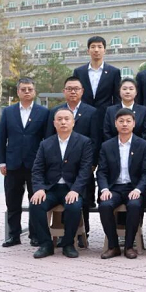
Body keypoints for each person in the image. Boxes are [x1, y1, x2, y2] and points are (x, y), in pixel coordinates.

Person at [29, 109, 94, 259]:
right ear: (54, 123)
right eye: (59, 119)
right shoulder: (45, 144)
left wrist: (76, 190)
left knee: (73, 206)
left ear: (73, 122)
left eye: (66, 119)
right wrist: (39, 189)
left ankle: (68, 244)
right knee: (35, 204)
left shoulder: (84, 142)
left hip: (72, 189)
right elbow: (37, 170)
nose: (63, 122)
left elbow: (85, 170)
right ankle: (46, 244)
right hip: (51, 189)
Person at [45, 76, 100, 246]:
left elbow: (95, 139)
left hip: (83, 165)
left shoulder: (92, 112)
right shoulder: (56, 111)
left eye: (76, 89)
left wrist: (92, 163)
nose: (73, 92)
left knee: (83, 200)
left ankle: (83, 234)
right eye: (69, 89)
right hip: (60, 166)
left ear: (82, 91)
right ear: (64, 91)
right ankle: (62, 234)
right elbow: (49, 139)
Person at [0, 77, 49, 248]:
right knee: (12, 201)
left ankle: (35, 235)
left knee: (36, 202)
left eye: (30, 89)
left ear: (34, 91)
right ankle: (14, 235)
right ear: (18, 92)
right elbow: (2, 138)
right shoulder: (8, 112)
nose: (27, 92)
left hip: (35, 165)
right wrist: (1, 162)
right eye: (23, 89)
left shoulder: (43, 112)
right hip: (12, 164)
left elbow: (47, 140)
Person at [97, 108, 146, 259]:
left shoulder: (143, 145)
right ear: (115, 124)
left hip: (133, 188)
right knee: (105, 205)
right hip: (113, 188)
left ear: (134, 123)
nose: (125, 124)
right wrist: (104, 189)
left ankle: (129, 246)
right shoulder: (107, 146)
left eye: (128, 121)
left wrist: (139, 189)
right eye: (121, 121)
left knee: (134, 205)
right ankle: (113, 246)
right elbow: (101, 172)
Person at [72, 36, 120, 147]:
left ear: (105, 50)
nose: (96, 50)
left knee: (104, 147)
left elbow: (117, 98)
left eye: (99, 47)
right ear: (88, 50)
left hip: (105, 116)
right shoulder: (79, 72)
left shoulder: (114, 72)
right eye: (93, 47)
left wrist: (114, 117)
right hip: (83, 115)